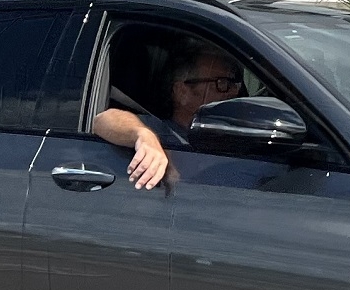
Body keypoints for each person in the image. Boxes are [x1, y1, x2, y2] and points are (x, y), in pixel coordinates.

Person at [92, 43, 246, 190]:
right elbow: (102, 120)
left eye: (234, 84)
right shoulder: (158, 129)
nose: (233, 92)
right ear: (182, 92)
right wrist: (144, 137)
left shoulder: (236, 134)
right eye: (222, 83)